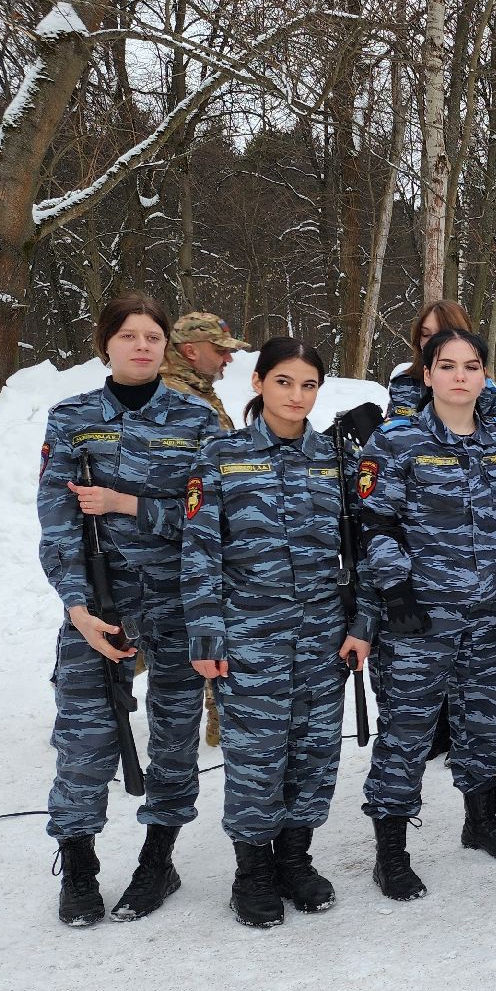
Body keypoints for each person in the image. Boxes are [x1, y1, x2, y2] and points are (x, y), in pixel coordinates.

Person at [38, 293, 223, 927]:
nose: (142, 346)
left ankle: (156, 862)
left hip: (177, 604)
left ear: (166, 346)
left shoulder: (198, 422)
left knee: (173, 740)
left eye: (153, 336)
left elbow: (212, 522)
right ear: (106, 344)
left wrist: (129, 505)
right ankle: (80, 864)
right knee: (84, 741)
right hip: (99, 608)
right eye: (129, 335)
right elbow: (56, 521)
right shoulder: (72, 419)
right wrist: (77, 607)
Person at [181, 338, 371, 927]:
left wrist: (362, 623)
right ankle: (252, 870)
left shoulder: (335, 459)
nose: (296, 396)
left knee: (313, 754)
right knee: (255, 758)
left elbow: (362, 549)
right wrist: (207, 634)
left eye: (309, 384)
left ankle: (294, 859)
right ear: (259, 383)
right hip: (250, 637)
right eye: (284, 382)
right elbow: (200, 552)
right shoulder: (220, 457)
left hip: (321, 638)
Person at [358, 327, 496, 901]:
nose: (460, 376)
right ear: (426, 375)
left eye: (471, 366)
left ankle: (480, 820)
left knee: (482, 724)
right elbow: (372, 523)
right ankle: (392, 852)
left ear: (484, 376)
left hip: (490, 616)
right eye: (447, 366)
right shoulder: (395, 441)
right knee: (405, 733)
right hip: (418, 620)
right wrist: (395, 591)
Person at [163, 310, 242, 749]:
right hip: (182, 539)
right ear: (191, 351)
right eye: (220, 351)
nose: (227, 360)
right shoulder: (176, 399)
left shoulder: (200, 394)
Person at [386, 300, 496, 423]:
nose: (431, 342)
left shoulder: (486, 391)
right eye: (425, 335)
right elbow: (392, 435)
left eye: (442, 335)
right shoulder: (403, 383)